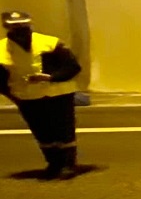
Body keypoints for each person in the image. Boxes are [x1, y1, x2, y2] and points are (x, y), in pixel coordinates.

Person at [0, 11, 83, 179]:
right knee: (43, 133)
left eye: (23, 25)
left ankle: (68, 164)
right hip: (28, 97)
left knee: (64, 131)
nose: (20, 29)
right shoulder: (1, 50)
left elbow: (72, 67)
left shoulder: (50, 43)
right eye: (15, 26)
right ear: (7, 27)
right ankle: (54, 163)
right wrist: (13, 97)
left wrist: (51, 77)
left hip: (59, 94)